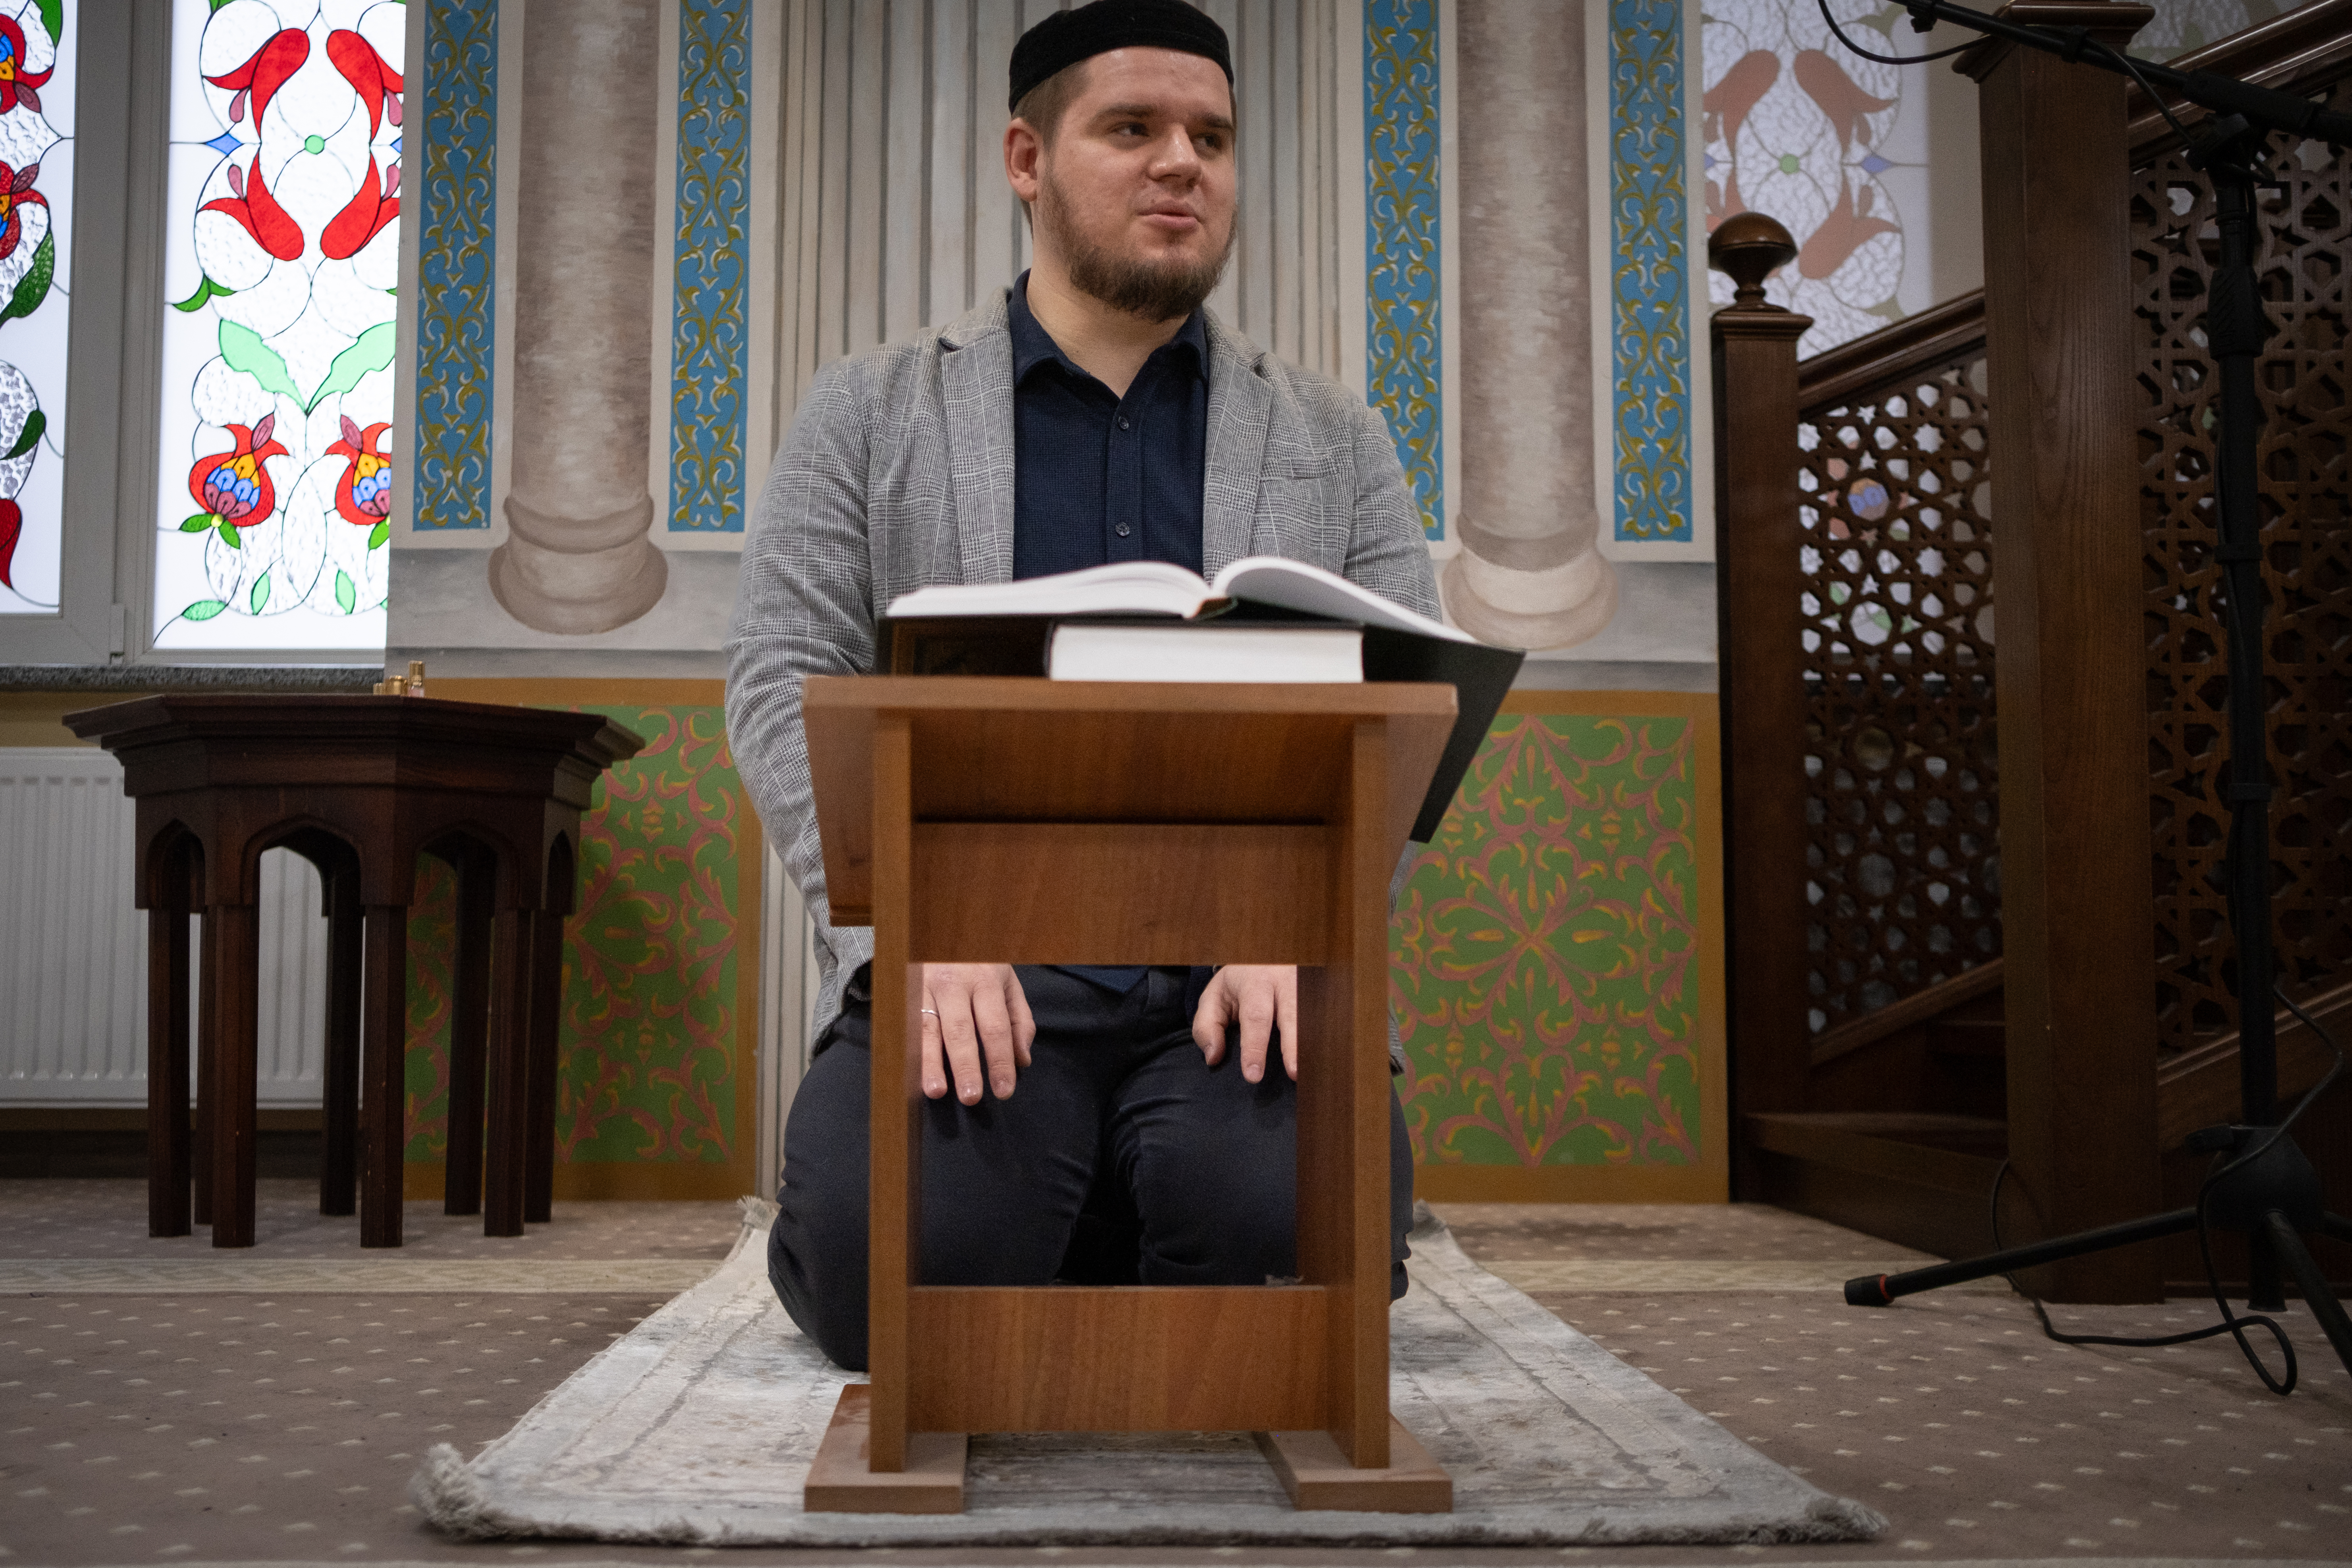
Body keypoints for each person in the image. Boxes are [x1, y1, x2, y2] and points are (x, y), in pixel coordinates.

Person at [725, 0, 1439, 1371]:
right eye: (1132, 128)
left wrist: (1306, 931)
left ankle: (1126, 1191)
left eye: (1211, 138)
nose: (1182, 162)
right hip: (969, 963)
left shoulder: (1336, 437)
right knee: (891, 1287)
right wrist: (910, 927)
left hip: (1244, 973)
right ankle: (1067, 1196)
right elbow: (780, 678)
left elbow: (1415, 707)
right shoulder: (867, 410)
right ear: (1026, 158)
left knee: (1297, 1261)